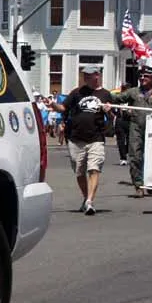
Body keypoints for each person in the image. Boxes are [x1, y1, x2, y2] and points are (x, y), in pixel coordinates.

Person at [47, 64, 113, 215]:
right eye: (84, 75)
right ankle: (85, 197)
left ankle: (89, 201)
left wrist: (108, 111)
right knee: (79, 172)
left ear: (97, 75)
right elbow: (63, 108)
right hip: (76, 138)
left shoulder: (105, 94)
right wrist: (53, 105)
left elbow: (112, 116)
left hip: (96, 137)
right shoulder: (77, 92)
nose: (86, 77)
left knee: (94, 169)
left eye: (89, 75)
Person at [102, 66, 152, 197]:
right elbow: (117, 98)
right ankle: (138, 185)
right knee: (135, 156)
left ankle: (150, 182)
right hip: (136, 127)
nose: (142, 78)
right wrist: (103, 95)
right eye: (141, 76)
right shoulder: (133, 92)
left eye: (146, 76)